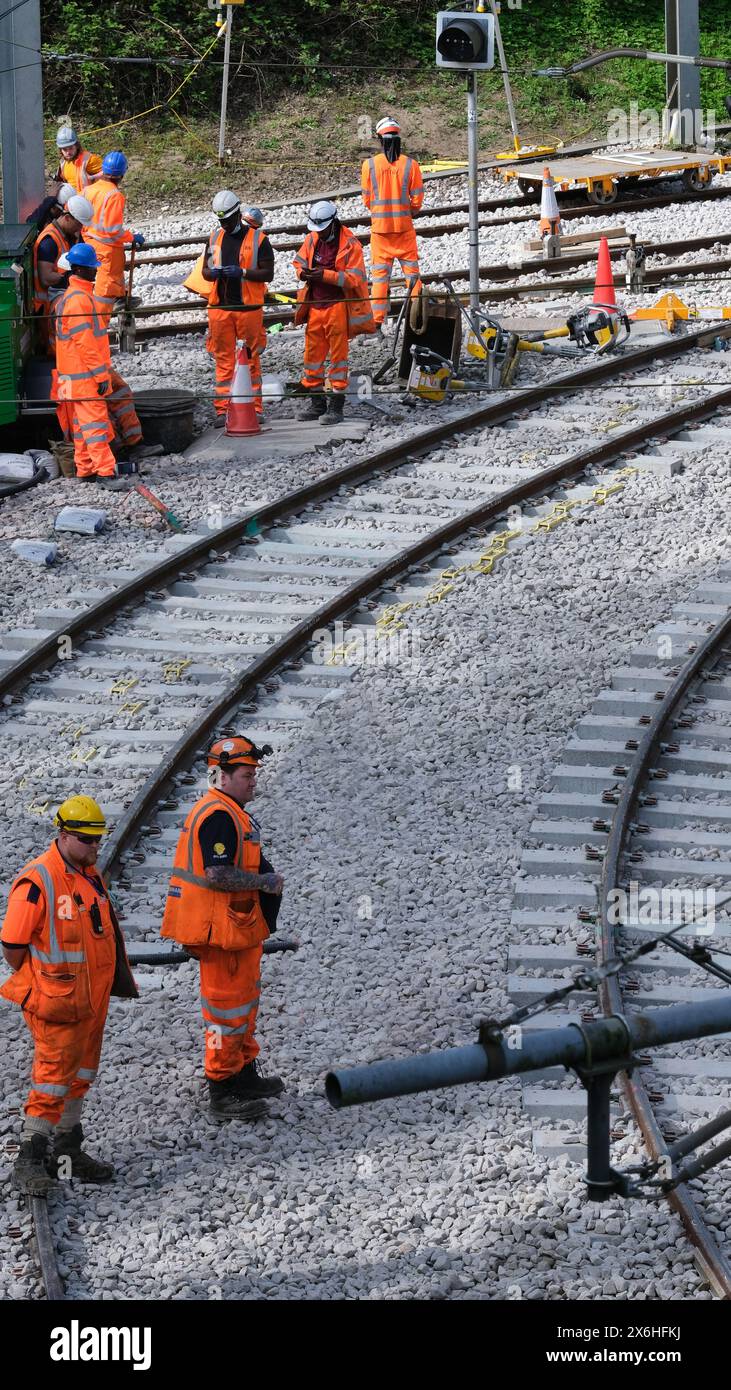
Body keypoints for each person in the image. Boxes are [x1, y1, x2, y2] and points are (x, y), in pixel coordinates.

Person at [0, 796, 137, 1195]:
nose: (95, 847)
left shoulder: (87, 873)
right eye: (86, 839)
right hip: (58, 1001)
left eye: (98, 840)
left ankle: (66, 1151)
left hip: (90, 1001)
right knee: (52, 1079)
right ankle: (30, 1156)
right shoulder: (39, 880)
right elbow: (12, 944)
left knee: (79, 1077)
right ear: (62, 835)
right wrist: (45, 980)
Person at [161, 736, 285, 1121]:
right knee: (224, 1013)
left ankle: (243, 1073)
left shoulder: (231, 812)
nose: (253, 781)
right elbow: (217, 875)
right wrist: (265, 883)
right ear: (222, 776)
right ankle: (222, 1089)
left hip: (238, 929)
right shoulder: (218, 816)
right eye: (247, 775)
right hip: (220, 933)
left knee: (244, 1006)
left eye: (253, 774)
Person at [183, 193, 274, 426]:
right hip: (220, 309)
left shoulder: (258, 239)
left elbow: (268, 273)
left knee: (251, 360)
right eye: (221, 221)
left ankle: (254, 408)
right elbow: (206, 270)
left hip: (248, 309)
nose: (224, 225)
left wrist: (242, 272)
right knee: (223, 360)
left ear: (237, 215)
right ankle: (223, 410)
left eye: (228, 220)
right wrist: (212, 273)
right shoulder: (215, 237)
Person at [53, 242, 128, 489]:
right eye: (92, 268)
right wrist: (100, 375)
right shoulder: (79, 301)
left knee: (82, 425)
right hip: (85, 377)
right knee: (96, 424)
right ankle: (105, 473)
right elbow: (86, 344)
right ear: (80, 270)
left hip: (73, 378)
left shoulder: (74, 297)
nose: (96, 271)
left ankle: (84, 469)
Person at [293, 199, 376, 424]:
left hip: (337, 307)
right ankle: (317, 404)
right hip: (315, 307)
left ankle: (336, 406)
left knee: (338, 358)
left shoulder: (350, 244)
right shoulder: (312, 239)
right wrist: (303, 274)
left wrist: (325, 275)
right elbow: (298, 262)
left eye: (322, 230)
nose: (318, 234)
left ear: (333, 223)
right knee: (312, 357)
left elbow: (355, 279)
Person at [361, 116, 423, 331]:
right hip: (404, 231)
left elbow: (367, 200)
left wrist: (381, 213)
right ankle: (419, 318)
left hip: (380, 233)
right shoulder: (411, 165)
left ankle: (377, 322)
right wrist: (408, 213)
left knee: (379, 279)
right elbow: (417, 200)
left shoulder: (369, 165)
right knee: (413, 277)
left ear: (380, 139)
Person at [83, 151, 144, 324]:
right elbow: (113, 230)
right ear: (122, 174)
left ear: (103, 170)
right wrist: (131, 237)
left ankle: (119, 299)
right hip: (106, 249)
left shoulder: (89, 190)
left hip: (89, 242)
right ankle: (100, 326)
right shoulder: (115, 195)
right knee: (105, 289)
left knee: (99, 285)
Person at [32, 194, 94, 355]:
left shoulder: (68, 234)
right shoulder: (49, 241)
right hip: (51, 299)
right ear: (67, 218)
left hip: (62, 292)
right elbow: (46, 278)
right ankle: (60, 353)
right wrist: (69, 275)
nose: (80, 229)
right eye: (79, 224)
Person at [54, 125, 102, 193]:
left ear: (76, 146)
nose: (68, 152)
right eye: (64, 149)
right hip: (70, 201)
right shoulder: (63, 163)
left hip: (88, 201)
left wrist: (93, 177)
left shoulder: (89, 160)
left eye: (71, 148)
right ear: (60, 150)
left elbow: (109, 174)